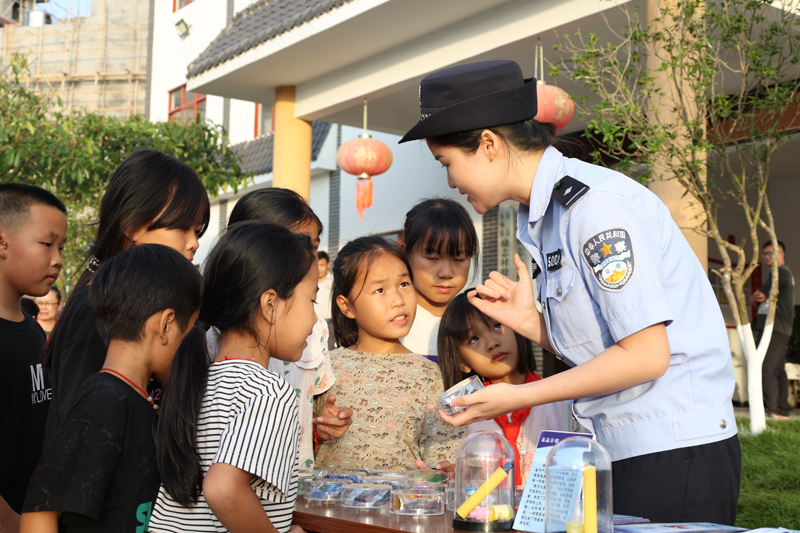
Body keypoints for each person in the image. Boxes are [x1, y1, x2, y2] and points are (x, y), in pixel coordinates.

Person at [400, 60, 740, 524]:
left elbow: (646, 356)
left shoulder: (594, 209)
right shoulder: (545, 217)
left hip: (670, 445)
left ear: (488, 145)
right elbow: (607, 347)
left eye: (448, 163)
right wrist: (534, 326)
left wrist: (516, 397)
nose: (450, 181)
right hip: (618, 443)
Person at [20, 244, 201, 533]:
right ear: (166, 324)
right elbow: (39, 516)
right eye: (191, 329)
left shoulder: (131, 398)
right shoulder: (104, 401)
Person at [149, 223, 315, 533]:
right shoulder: (266, 391)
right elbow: (223, 489)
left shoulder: (196, 380)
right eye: (312, 301)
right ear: (270, 305)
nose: (315, 318)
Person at [40, 149, 210, 451]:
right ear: (131, 225)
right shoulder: (94, 309)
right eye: (182, 227)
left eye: (197, 230)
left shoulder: (147, 303)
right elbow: (78, 440)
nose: (194, 242)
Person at [224, 188, 352, 469]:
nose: (307, 258)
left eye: (313, 247)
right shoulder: (214, 336)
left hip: (294, 490)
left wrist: (322, 425)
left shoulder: (314, 328)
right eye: (295, 244)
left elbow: (312, 408)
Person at [314, 236, 467, 471]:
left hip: (400, 505)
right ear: (347, 306)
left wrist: (446, 469)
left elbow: (442, 451)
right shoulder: (324, 366)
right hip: (326, 506)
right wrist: (319, 428)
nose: (398, 300)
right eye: (380, 290)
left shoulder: (427, 374)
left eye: (404, 284)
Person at [438, 291, 580, 488]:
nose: (492, 343)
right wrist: (454, 474)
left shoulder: (563, 402)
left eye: (497, 326)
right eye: (473, 339)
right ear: (462, 362)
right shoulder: (463, 419)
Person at [0, 184, 67, 533]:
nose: (57, 258)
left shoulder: (34, 331)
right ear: (2, 242)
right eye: (47, 243)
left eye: (62, 247)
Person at [400, 198, 479, 359]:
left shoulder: (481, 319)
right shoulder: (391, 319)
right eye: (433, 258)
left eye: (459, 259)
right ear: (406, 254)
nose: (446, 273)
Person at [752, 240, 795, 419]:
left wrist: (755, 297)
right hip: (775, 327)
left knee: (768, 368)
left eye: (770, 253)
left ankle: (774, 410)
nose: (767, 257)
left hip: (775, 328)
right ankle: (782, 411)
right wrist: (756, 298)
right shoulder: (777, 274)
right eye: (765, 254)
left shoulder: (781, 273)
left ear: (781, 253)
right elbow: (759, 297)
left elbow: (759, 296)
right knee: (778, 370)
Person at [316, 250, 335, 349]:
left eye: (322, 265)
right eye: (316, 265)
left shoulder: (333, 282)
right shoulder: (309, 281)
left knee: (329, 350)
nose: (319, 269)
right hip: (312, 323)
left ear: (328, 265)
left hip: (329, 323)